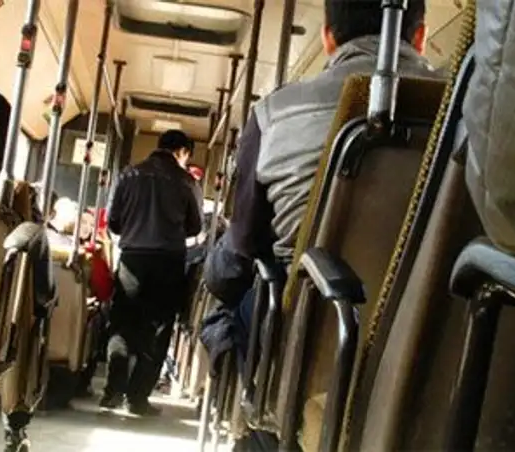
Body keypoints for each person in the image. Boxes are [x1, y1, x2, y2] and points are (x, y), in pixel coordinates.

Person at [201, 1, 440, 445]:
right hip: (437, 361)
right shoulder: (466, 113)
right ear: (422, 36)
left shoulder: (274, 113)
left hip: (314, 359)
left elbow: (241, 252)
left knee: (238, 303)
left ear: (328, 38)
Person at [101, 129, 202, 415]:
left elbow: (114, 222)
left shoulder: (128, 175)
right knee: (157, 331)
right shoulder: (186, 182)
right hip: (168, 262)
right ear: (182, 152)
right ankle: (137, 398)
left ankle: (112, 390)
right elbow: (195, 227)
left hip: (132, 259)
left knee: (122, 325)